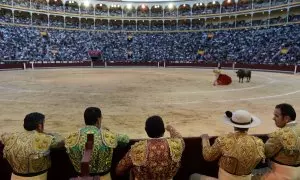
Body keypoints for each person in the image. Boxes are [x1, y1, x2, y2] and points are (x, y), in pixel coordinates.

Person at [190, 110, 265, 180]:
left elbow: (208, 156)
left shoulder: (224, 140)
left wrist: (205, 139)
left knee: (193, 177)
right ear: (249, 125)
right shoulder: (259, 142)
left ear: (234, 125)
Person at [65, 107, 129, 180]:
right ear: (98, 120)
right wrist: (108, 132)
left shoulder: (72, 137)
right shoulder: (108, 136)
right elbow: (125, 140)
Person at [115, 115, 185, 180]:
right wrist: (170, 128)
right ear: (163, 130)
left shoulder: (138, 149)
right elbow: (179, 139)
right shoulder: (175, 145)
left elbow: (119, 170)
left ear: (146, 131)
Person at [1, 112, 64, 180]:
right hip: (38, 177)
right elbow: (61, 141)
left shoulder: (10, 137)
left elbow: (3, 138)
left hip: (14, 177)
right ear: (40, 126)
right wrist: (47, 134)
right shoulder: (44, 139)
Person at [256, 103, 300, 179]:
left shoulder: (280, 134)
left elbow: (265, 152)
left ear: (286, 118)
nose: (273, 118)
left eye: (277, 116)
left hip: (281, 175)